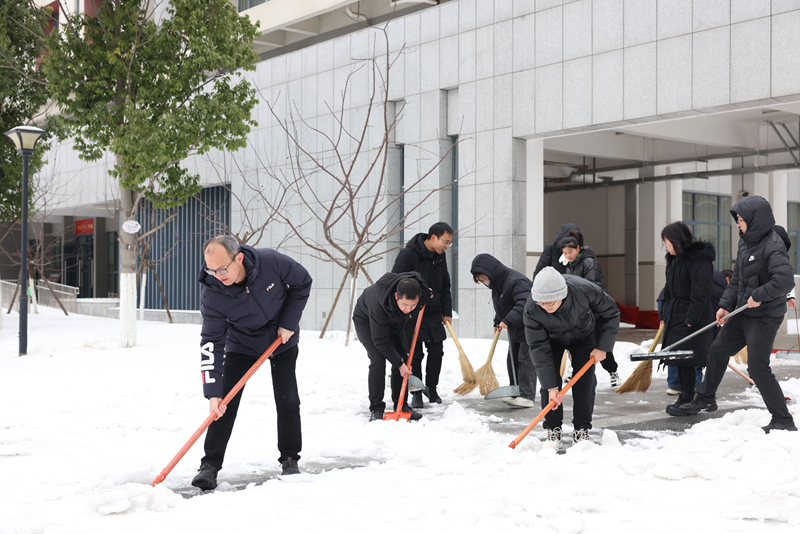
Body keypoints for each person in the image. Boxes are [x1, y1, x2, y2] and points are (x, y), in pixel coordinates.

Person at [192, 236, 313, 490]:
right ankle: (210, 465)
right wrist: (212, 392)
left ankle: (290, 459)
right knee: (224, 403)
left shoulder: (271, 262)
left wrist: (289, 323)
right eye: (211, 270)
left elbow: (302, 282)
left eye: (222, 269)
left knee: (287, 399)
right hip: (243, 343)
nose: (217, 275)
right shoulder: (212, 293)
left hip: (282, 339)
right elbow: (211, 341)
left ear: (239, 258)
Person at [675, 196, 797, 433]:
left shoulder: (773, 244)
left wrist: (760, 294)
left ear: (754, 219)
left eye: (740, 220)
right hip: (742, 312)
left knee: (758, 367)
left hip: (764, 316)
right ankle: (706, 397)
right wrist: (725, 306)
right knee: (718, 351)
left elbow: (784, 280)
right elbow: (738, 279)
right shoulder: (745, 242)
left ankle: (783, 419)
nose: (738, 224)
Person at [524, 267, 620, 448]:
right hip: (551, 340)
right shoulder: (531, 308)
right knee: (549, 384)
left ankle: (582, 429)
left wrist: (603, 347)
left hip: (583, 335)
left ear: (562, 294)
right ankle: (553, 430)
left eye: (551, 302)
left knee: (585, 381)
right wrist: (551, 386)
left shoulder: (583, 290)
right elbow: (537, 346)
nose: (547, 307)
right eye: (542, 304)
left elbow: (611, 312)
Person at [353, 271, 431, 422]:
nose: (409, 309)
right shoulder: (378, 305)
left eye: (413, 305)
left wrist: (401, 363)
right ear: (396, 297)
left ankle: (401, 404)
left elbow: (416, 275)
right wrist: (400, 364)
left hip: (395, 320)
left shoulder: (419, 293)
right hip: (367, 321)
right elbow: (381, 341)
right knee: (378, 360)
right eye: (405, 305)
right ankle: (376, 408)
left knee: (402, 357)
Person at [391, 222, 453, 408]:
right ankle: (416, 392)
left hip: (433, 313)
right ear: (433, 237)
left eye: (450, 243)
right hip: (413, 313)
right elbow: (396, 280)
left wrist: (446, 311)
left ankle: (431, 388)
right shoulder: (408, 254)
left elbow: (445, 286)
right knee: (415, 355)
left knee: (436, 352)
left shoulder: (440, 257)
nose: (447, 246)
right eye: (446, 242)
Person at [658, 222, 715, 416]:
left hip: (691, 316)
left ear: (676, 240)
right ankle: (685, 396)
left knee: (689, 357)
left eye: (666, 241)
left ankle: (693, 397)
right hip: (676, 313)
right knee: (680, 357)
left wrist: (691, 318)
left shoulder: (698, 260)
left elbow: (700, 292)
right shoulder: (674, 260)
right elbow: (668, 290)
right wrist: (666, 312)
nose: (665, 245)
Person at [470, 254, 537, 407]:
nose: (484, 282)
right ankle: (515, 392)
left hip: (530, 326)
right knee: (512, 360)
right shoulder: (497, 284)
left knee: (525, 360)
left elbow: (524, 302)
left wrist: (508, 320)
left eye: (483, 278)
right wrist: (497, 321)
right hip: (515, 327)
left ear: (490, 271)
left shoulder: (515, 281)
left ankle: (527, 396)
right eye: (480, 280)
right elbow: (503, 305)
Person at [558, 229, 622, 388]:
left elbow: (593, 289)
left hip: (595, 313)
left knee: (600, 344)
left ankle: (613, 372)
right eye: (565, 253)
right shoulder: (570, 266)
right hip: (579, 314)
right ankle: (577, 372)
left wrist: (587, 311)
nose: (568, 256)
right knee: (577, 345)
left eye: (570, 252)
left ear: (578, 249)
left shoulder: (589, 263)